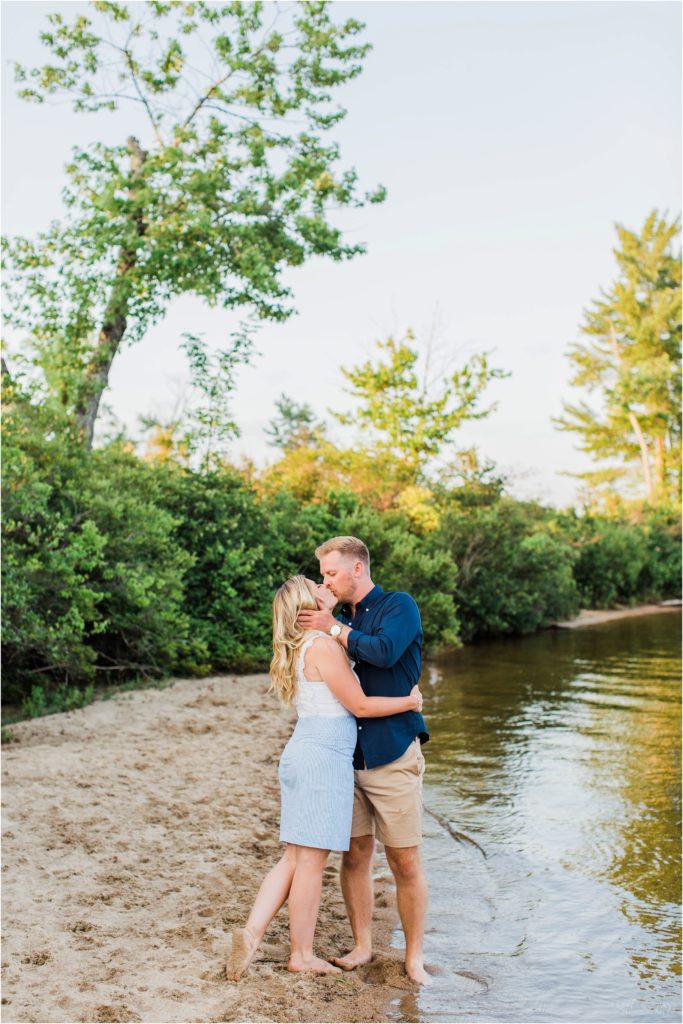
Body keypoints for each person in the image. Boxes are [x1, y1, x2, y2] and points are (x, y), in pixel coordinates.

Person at [226, 574, 423, 980]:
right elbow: (361, 706)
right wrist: (410, 700)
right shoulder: (321, 646)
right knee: (311, 864)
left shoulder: (299, 647)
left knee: (293, 859)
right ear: (307, 607)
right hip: (322, 761)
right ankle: (301, 953)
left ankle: (251, 932)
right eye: (314, 584)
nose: (322, 583)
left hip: (304, 754)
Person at [297, 536, 432, 986]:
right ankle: (363, 944)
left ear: (357, 568)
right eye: (323, 575)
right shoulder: (336, 618)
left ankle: (414, 958)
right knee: (354, 854)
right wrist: (330, 623)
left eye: (331, 573)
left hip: (393, 752)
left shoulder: (399, 606)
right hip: (344, 757)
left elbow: (384, 651)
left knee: (405, 860)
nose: (326, 581)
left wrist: (332, 626)